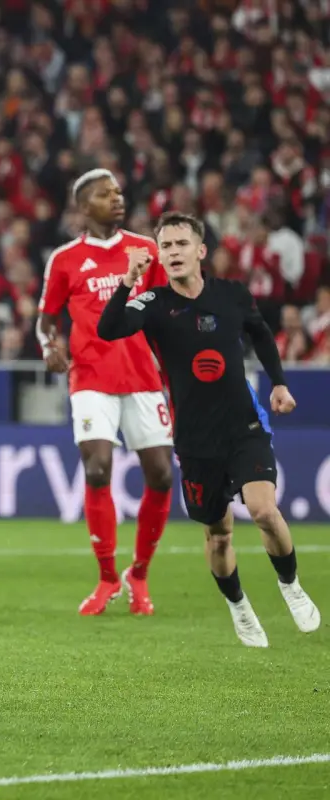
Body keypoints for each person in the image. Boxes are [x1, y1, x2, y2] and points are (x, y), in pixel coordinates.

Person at [97, 211, 320, 647]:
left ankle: (290, 585)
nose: (173, 252)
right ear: (158, 255)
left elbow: (260, 334)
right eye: (166, 246)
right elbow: (109, 329)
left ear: (201, 251)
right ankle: (239, 606)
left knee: (264, 512)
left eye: (182, 244)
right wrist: (128, 281)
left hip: (243, 425)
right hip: (196, 440)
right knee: (218, 537)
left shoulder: (233, 295)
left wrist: (278, 382)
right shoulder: (154, 303)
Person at [36, 169, 175, 616]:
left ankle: (140, 574)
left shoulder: (146, 250)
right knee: (97, 470)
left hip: (142, 376)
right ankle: (107, 577)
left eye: (118, 192)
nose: (116, 199)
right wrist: (49, 346)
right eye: (104, 194)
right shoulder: (64, 259)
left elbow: (165, 312)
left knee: (161, 475)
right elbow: (46, 318)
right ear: (83, 206)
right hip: (91, 376)